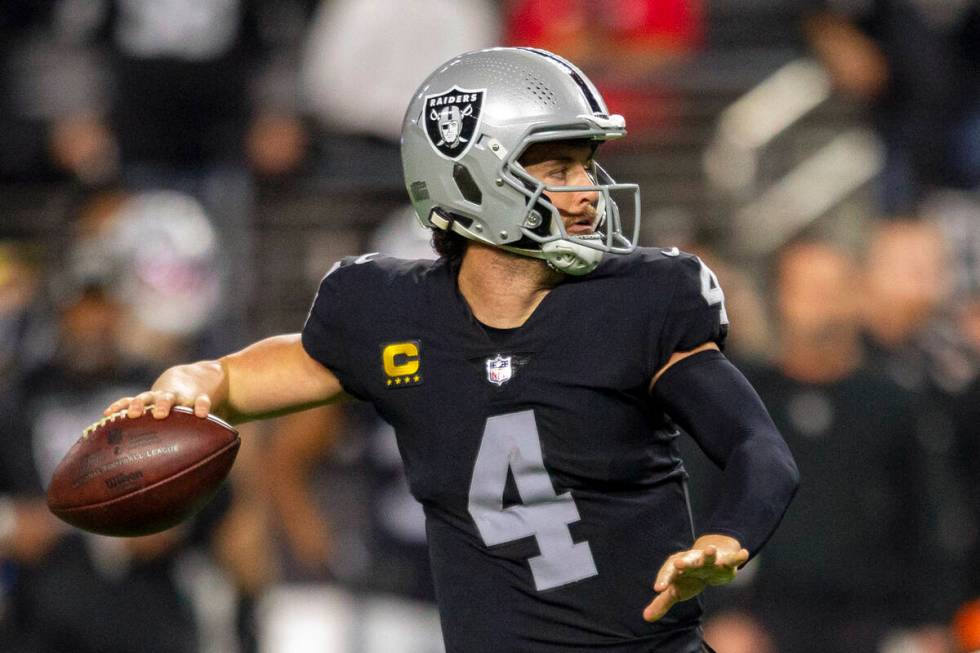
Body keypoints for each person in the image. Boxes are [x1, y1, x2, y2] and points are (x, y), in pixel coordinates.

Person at [104, 48, 798, 653]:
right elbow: (245, 378)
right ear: (470, 177)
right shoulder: (387, 310)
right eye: (558, 168)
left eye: (586, 166)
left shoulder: (639, 301)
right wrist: (191, 381)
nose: (586, 192)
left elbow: (757, 448)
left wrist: (728, 535)